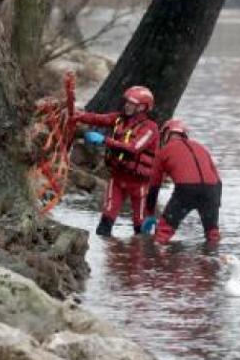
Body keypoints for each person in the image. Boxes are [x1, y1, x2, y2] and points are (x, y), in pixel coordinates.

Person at [76, 85, 161, 237]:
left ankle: (140, 257)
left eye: (132, 104)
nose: (127, 106)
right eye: (127, 102)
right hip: (118, 177)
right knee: (105, 223)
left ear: (142, 107)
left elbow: (133, 148)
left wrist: (104, 140)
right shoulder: (118, 119)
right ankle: (108, 255)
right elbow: (97, 118)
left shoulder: (150, 128)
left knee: (140, 228)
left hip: (140, 183)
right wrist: (77, 115)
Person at [148, 120, 222, 245]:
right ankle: (213, 258)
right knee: (212, 233)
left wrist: (149, 213)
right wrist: (215, 204)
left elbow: (154, 185)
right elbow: (218, 180)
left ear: (166, 134)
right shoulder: (201, 147)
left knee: (163, 233)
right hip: (212, 190)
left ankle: (156, 259)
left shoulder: (163, 152)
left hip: (186, 190)